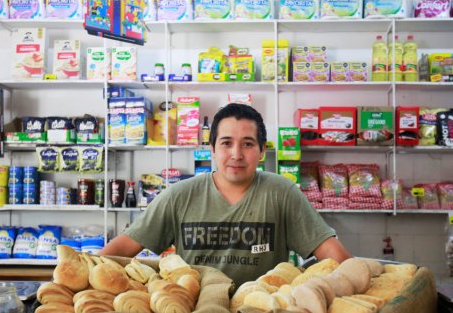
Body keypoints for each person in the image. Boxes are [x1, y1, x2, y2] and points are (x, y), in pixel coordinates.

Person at [101, 103, 352, 286]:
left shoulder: (281, 192)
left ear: (262, 150)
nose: (236, 154)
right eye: (226, 143)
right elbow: (120, 249)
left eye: (248, 144)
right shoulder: (179, 195)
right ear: (211, 149)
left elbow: (336, 257)